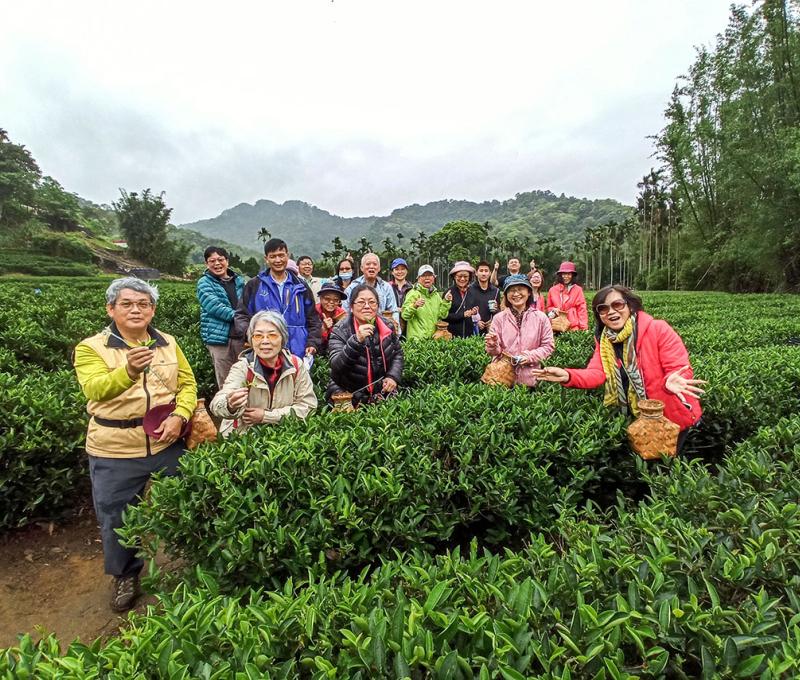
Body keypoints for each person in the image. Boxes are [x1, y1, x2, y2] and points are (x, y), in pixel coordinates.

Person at [73, 277, 197, 612]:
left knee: (194, 498)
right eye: (126, 303)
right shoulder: (91, 348)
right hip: (114, 446)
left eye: (143, 304)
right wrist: (127, 371)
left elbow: (187, 383)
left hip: (166, 440)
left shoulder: (167, 342)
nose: (136, 309)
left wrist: (181, 416)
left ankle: (198, 558)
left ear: (153, 309)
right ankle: (125, 574)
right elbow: (95, 389)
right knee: (116, 517)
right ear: (110, 308)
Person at [533, 285, 705, 448]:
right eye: (603, 308)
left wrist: (671, 380)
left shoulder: (657, 329)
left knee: (663, 469)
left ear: (630, 306)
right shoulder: (605, 341)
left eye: (617, 305)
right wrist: (568, 375)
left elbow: (679, 367)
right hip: (636, 417)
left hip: (668, 416)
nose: (611, 312)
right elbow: (597, 373)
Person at [210, 311, 317, 435]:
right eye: (258, 336)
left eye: (272, 335)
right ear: (251, 340)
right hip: (245, 441)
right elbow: (217, 404)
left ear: (283, 339)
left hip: (285, 438)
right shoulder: (242, 367)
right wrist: (230, 404)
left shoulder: (296, 366)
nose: (265, 341)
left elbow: (308, 407)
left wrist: (266, 416)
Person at [234, 238, 321, 358]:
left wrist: (312, 342)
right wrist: (251, 336)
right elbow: (241, 315)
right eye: (273, 256)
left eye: (281, 255)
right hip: (264, 350)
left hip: (298, 351)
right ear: (266, 259)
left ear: (287, 256)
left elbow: (313, 318)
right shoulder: (254, 285)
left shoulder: (301, 286)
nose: (278, 260)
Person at [327, 284, 403, 408]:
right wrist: (356, 340)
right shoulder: (340, 330)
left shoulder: (387, 326)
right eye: (361, 302)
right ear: (351, 307)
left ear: (378, 306)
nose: (367, 306)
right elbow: (336, 366)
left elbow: (398, 353)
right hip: (348, 393)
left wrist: (392, 376)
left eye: (372, 302)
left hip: (380, 391)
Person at [485, 274, 555, 387]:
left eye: (520, 289)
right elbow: (494, 353)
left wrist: (529, 357)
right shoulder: (499, 318)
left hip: (531, 379)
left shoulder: (541, 318)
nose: (516, 294)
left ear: (528, 292)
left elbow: (548, 346)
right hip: (503, 378)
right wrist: (492, 345)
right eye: (511, 290)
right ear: (506, 295)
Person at [196, 246, 246, 388]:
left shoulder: (239, 281)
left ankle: (246, 410)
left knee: (245, 376)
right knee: (226, 380)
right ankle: (227, 409)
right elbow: (215, 307)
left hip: (240, 337)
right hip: (219, 340)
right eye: (212, 261)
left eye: (220, 260)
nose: (217, 264)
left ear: (227, 261)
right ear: (207, 264)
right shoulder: (204, 283)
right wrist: (242, 318)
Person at [342, 253, 400, 332]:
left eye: (375, 264)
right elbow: (345, 312)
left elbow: (394, 311)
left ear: (379, 268)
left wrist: (396, 332)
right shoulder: (352, 288)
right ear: (362, 268)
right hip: (357, 331)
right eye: (368, 264)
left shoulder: (386, 287)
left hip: (381, 331)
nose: (371, 267)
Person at [401, 264, 452, 340]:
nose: (427, 278)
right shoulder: (413, 293)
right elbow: (405, 315)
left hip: (433, 340)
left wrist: (446, 301)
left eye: (430, 275)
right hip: (416, 341)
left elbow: (442, 315)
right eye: (423, 275)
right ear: (418, 278)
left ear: (434, 278)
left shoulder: (436, 295)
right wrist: (414, 305)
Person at [547, 261, 588, 330]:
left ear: (572, 275)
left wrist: (584, 328)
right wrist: (553, 310)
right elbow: (548, 307)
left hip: (573, 326)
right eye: (564, 274)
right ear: (560, 275)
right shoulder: (552, 290)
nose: (566, 277)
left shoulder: (578, 290)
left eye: (569, 274)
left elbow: (582, 309)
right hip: (557, 324)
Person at [444, 261, 481, 338]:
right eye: (459, 276)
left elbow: (473, 314)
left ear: (470, 277)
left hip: (469, 338)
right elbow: (444, 316)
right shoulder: (449, 293)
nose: (462, 279)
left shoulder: (472, 292)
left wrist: (474, 312)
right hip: (452, 337)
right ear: (454, 276)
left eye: (466, 276)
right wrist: (462, 315)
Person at [315, 282, 348, 355]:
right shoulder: (313, 312)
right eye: (327, 299)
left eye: (336, 300)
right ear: (320, 298)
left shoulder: (342, 315)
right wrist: (324, 328)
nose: (331, 302)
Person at [471, 260, 501, 334]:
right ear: (476, 273)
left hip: (490, 330)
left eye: (486, 271)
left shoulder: (496, 291)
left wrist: (493, 320)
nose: (484, 273)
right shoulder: (469, 289)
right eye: (481, 271)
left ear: (490, 273)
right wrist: (475, 322)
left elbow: (498, 311)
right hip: (473, 330)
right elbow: (465, 310)